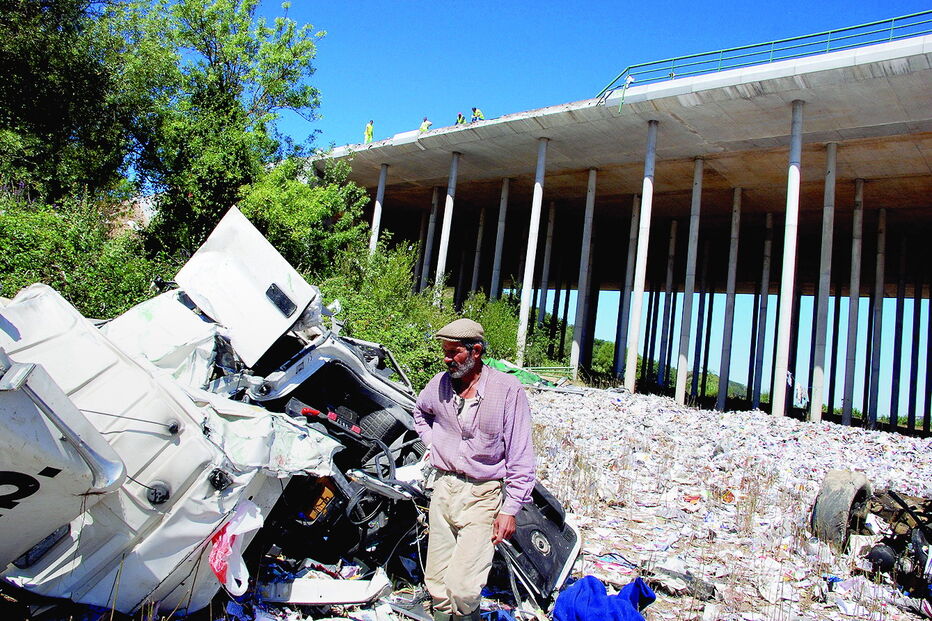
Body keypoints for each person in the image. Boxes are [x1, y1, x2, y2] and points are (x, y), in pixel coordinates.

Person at [413, 318, 536, 621]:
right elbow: (420, 412)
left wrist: (510, 509)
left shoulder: (507, 390)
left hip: (483, 495)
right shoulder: (439, 384)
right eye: (444, 351)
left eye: (453, 352)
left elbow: (521, 454)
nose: (446, 359)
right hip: (443, 489)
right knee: (438, 584)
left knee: (464, 587)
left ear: (475, 351)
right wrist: (435, 442)